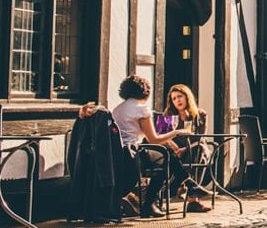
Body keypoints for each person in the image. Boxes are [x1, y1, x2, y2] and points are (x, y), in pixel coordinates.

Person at [79, 75, 209, 217]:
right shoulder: (142, 109)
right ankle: (151, 203)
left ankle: (187, 183)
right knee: (166, 157)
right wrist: (176, 132)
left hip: (115, 154)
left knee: (166, 154)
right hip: (132, 154)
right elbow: (154, 139)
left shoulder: (118, 109)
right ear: (145, 91)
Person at [164, 84, 211, 213]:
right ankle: (192, 195)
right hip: (175, 154)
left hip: (194, 150)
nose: (177, 101)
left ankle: (191, 196)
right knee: (200, 153)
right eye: (174, 98)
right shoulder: (168, 115)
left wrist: (186, 149)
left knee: (201, 149)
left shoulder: (200, 114)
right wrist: (173, 147)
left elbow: (201, 137)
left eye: (180, 96)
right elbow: (162, 136)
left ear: (187, 97)